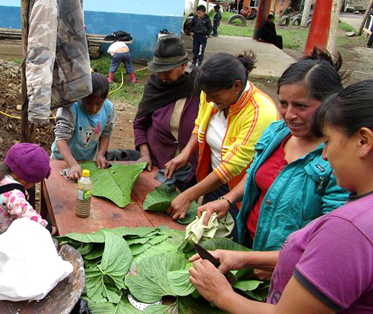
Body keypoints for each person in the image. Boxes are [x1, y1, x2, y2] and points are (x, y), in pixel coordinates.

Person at [189, 80, 373, 314]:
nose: (324, 154)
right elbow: (327, 267)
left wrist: (221, 295)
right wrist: (245, 258)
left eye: (329, 142)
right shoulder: (362, 212)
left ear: (363, 141)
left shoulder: (348, 228)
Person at [197, 50, 349, 251]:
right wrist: (228, 199)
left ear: (329, 103)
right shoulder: (277, 133)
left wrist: (263, 262)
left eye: (301, 106)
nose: (289, 114)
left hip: (287, 265)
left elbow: (327, 237)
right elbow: (254, 173)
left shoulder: (339, 159)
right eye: (284, 104)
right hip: (248, 245)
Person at [165, 52, 279, 221]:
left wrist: (188, 195)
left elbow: (234, 166)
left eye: (215, 96)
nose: (209, 100)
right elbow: (200, 125)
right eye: (206, 94)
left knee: (231, 235)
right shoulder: (210, 93)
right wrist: (186, 152)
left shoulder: (260, 112)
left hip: (243, 190)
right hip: (214, 179)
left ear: (237, 86)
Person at [133, 36, 199, 188]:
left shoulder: (199, 85)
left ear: (183, 66)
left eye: (167, 71)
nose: (162, 76)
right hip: (156, 166)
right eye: (158, 71)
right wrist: (144, 153)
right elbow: (140, 123)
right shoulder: (155, 86)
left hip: (189, 169)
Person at [51, 72, 116, 181]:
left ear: (105, 100)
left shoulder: (108, 108)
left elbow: (106, 133)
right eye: (88, 103)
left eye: (98, 104)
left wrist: (100, 154)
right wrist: (72, 164)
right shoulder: (70, 107)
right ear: (81, 96)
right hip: (61, 159)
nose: (93, 108)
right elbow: (61, 139)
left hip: (86, 160)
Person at [0, 143, 51, 232]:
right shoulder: (13, 193)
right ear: (24, 180)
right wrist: (45, 227)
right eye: (34, 183)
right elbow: (26, 213)